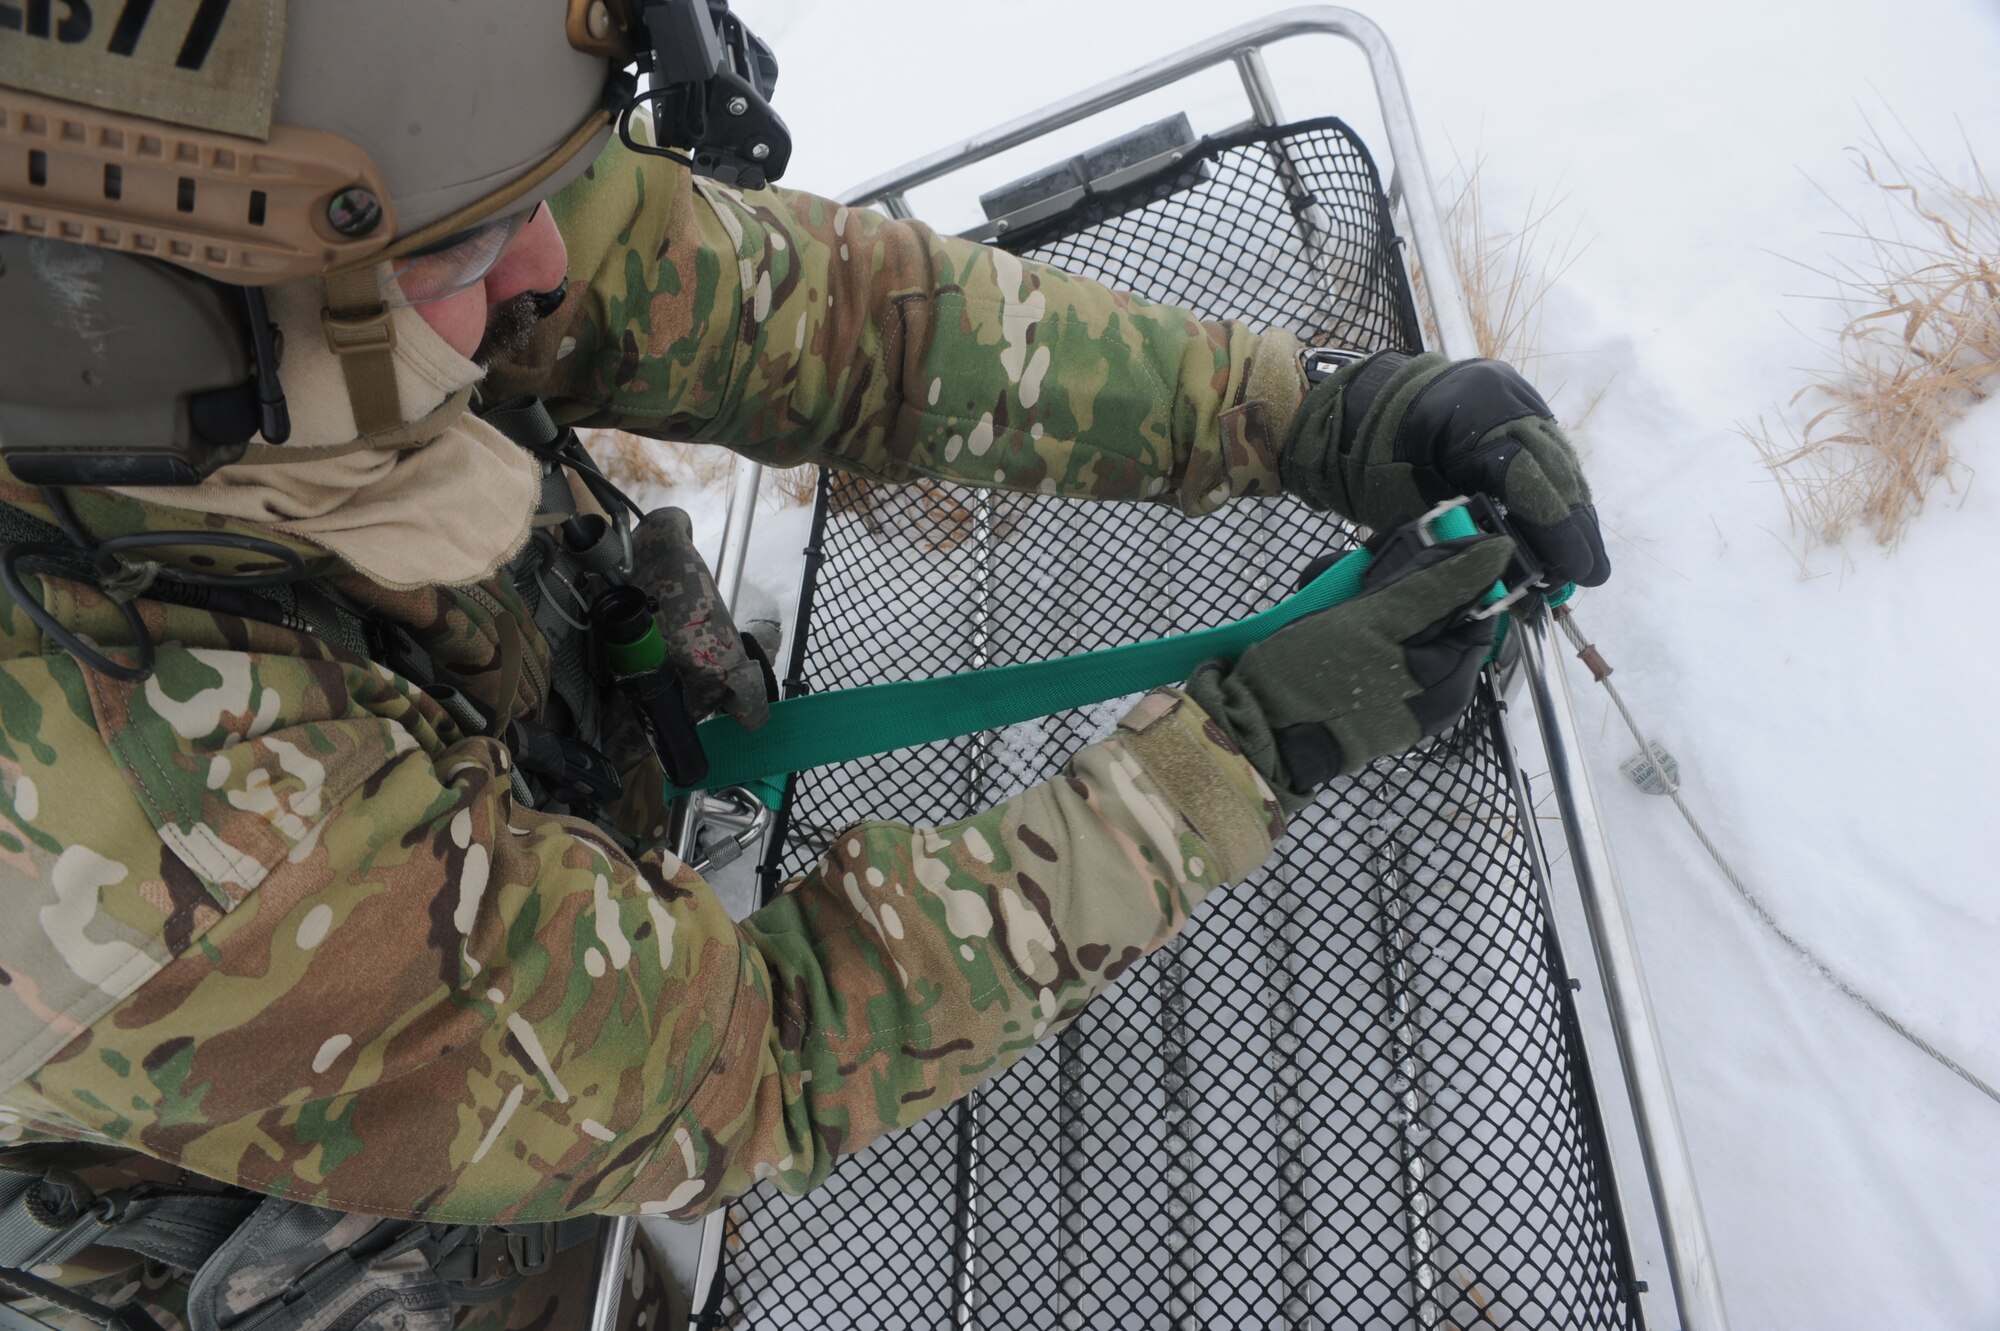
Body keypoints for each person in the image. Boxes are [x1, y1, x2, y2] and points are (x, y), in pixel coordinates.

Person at [0, 2, 1607, 1327]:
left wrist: (1310, 413)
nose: (550, 266)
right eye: (465, 251)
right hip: (299, 1161)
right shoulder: (125, 824)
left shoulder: (341, 208)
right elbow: (745, 1055)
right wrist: (1245, 753)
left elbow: (827, 326)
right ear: (130, 323)